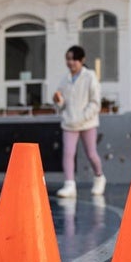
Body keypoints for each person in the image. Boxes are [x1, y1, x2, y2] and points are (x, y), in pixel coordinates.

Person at [53, 45, 106, 198]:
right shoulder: (65, 79)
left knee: (91, 154)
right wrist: (58, 101)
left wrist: (83, 117)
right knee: (68, 153)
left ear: (82, 60)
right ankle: (69, 184)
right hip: (69, 123)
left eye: (74, 59)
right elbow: (62, 105)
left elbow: (95, 102)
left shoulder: (90, 76)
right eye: (68, 59)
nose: (71, 63)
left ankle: (99, 177)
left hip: (87, 123)